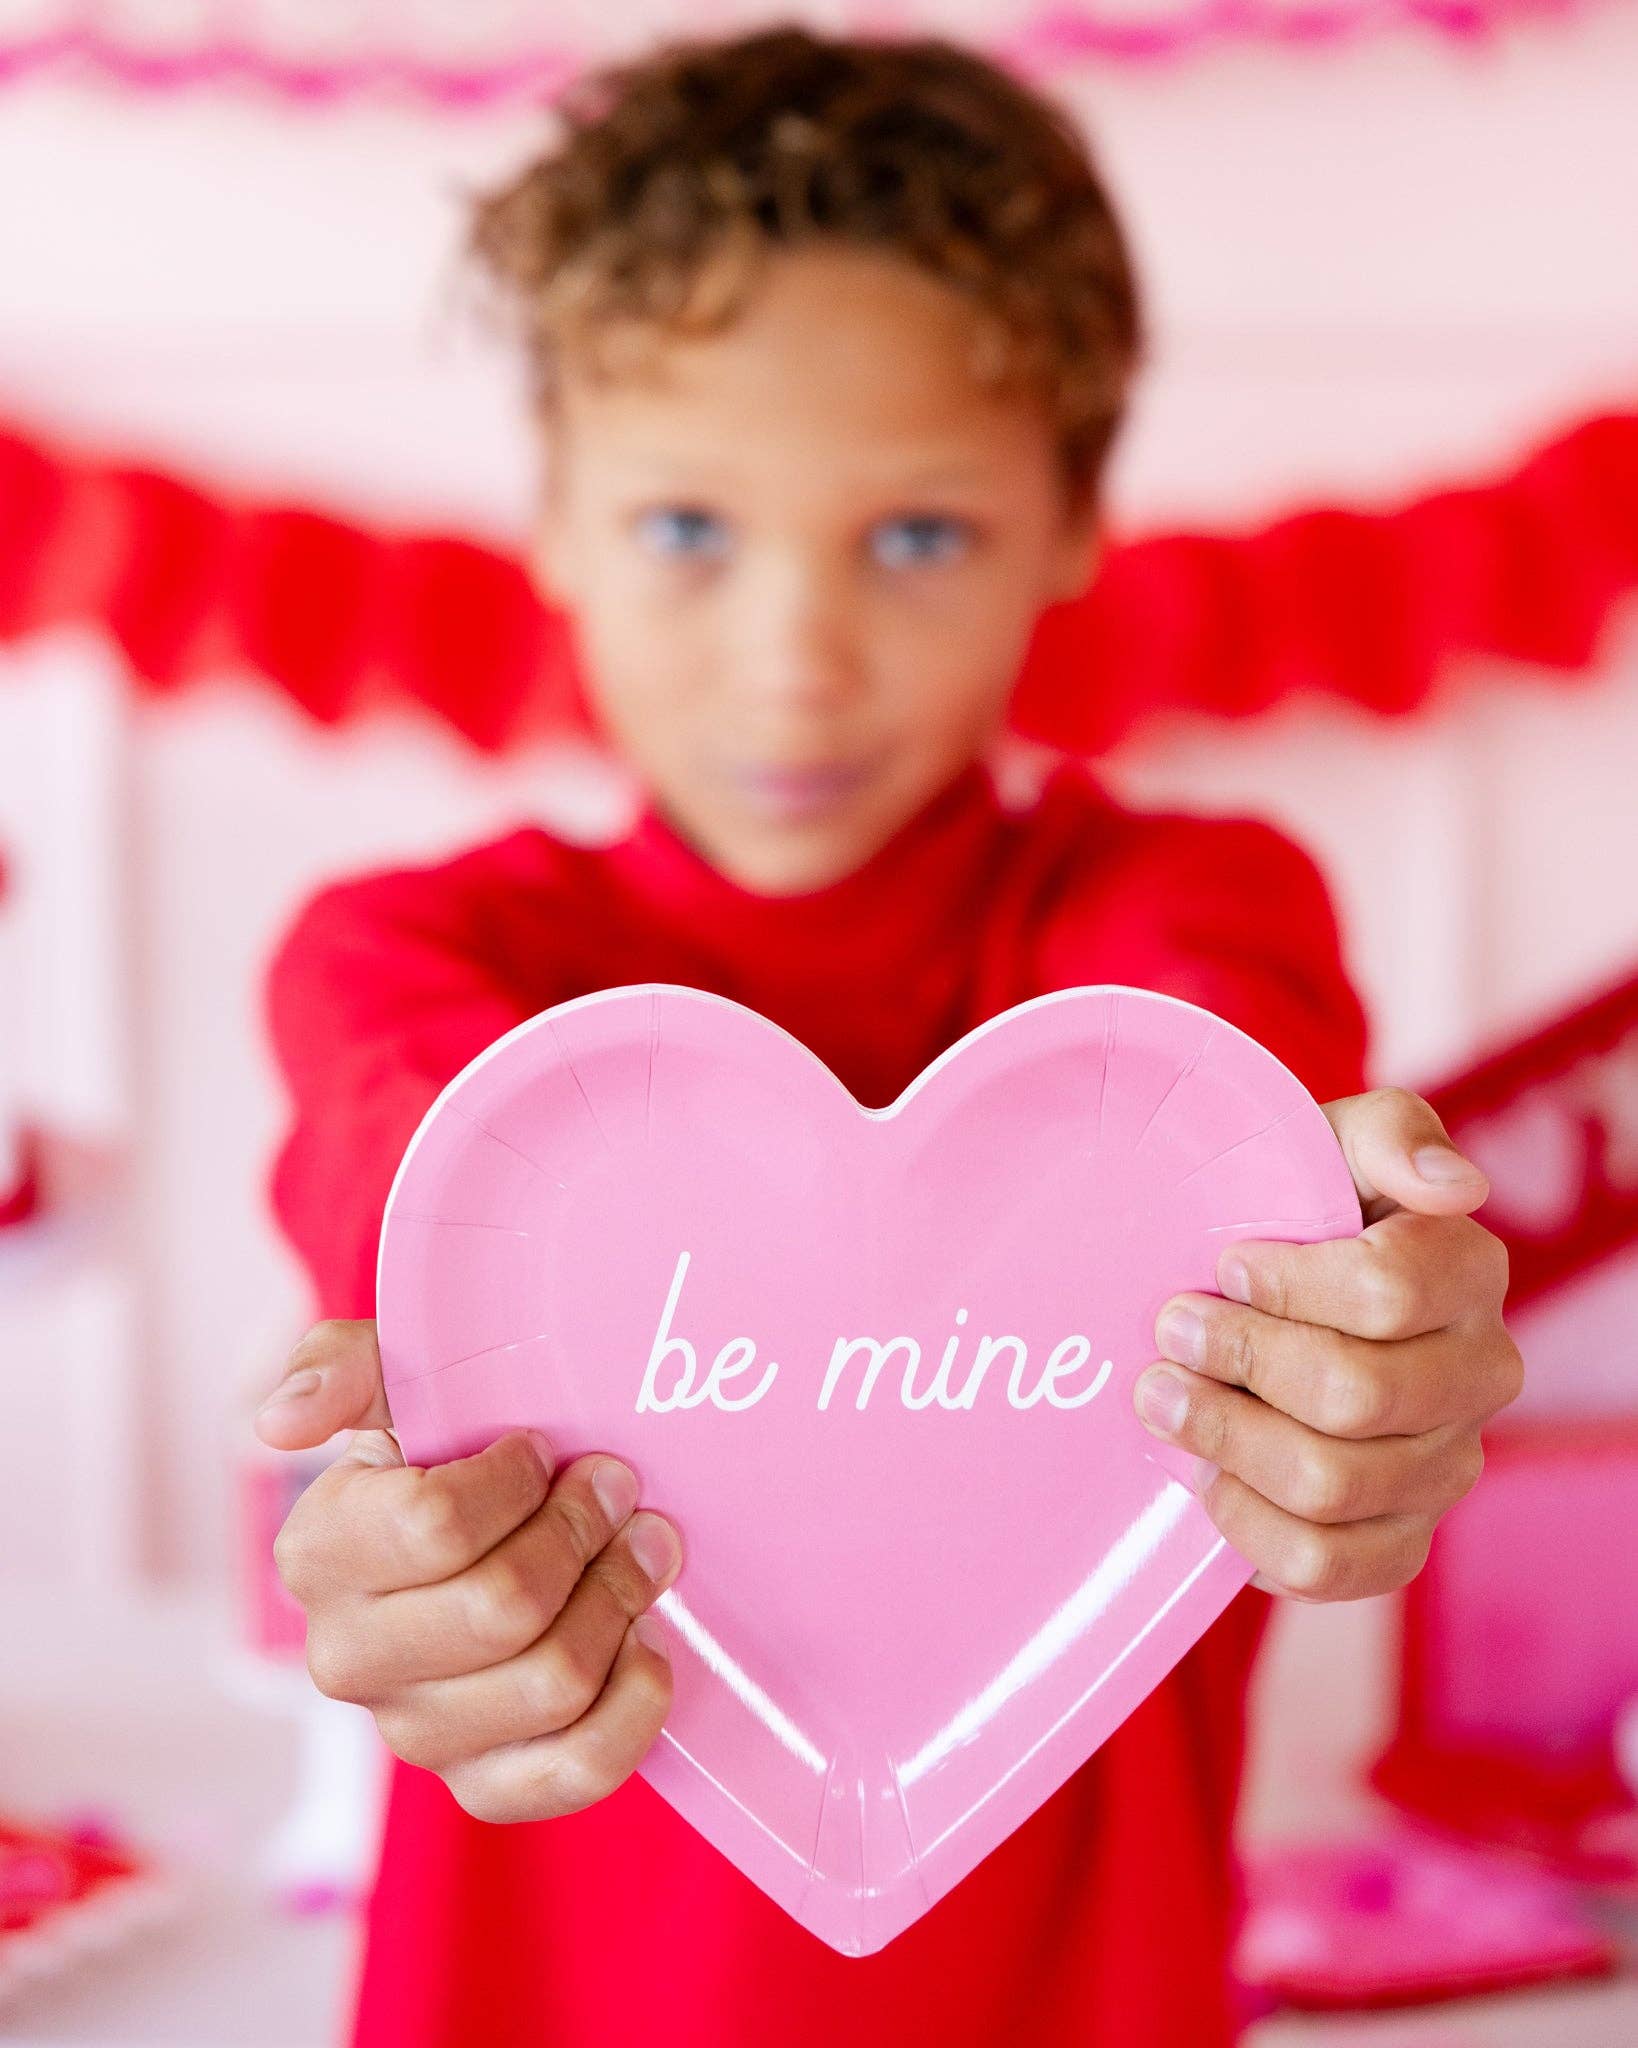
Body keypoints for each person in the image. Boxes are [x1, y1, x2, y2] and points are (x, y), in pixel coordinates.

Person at [252, 26, 1521, 2047]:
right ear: (557, 524)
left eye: (916, 535)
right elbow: (407, 1176)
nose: (797, 657)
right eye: (687, 529)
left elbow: (1228, 1091)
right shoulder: (405, 961)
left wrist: (1353, 1325)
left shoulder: (1191, 919)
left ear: (1073, 522)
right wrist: (396, 1497)